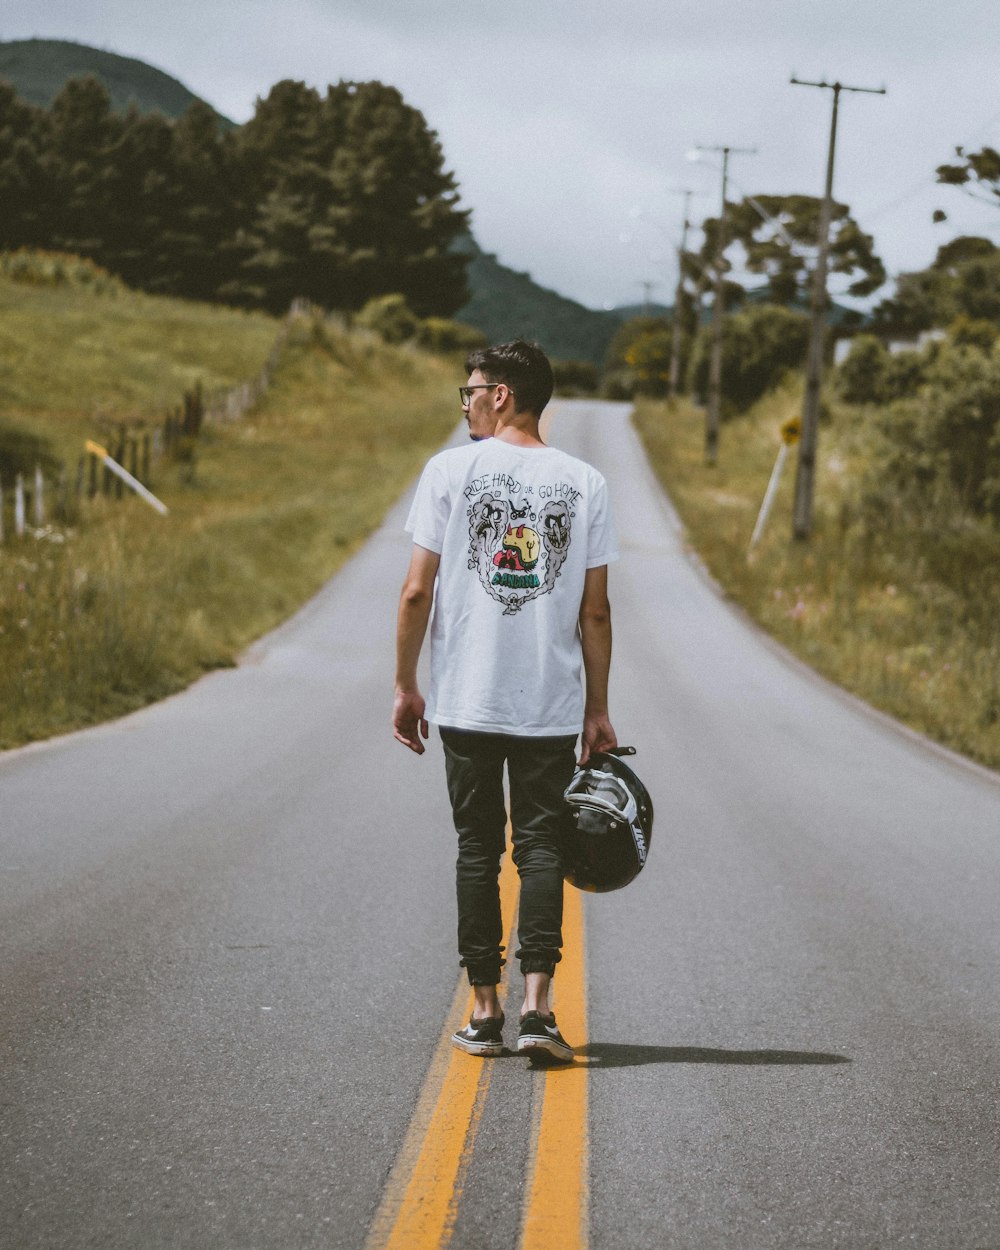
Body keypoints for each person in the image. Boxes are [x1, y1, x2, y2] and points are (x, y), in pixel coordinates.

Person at [393, 339, 618, 1063]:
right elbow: (596, 614)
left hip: (465, 700)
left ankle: (484, 1012)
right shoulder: (587, 484)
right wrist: (598, 709)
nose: (464, 401)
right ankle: (537, 1010)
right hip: (548, 704)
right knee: (542, 847)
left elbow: (416, 590)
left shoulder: (449, 472)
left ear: (502, 395)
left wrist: (405, 685)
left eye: (471, 390)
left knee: (477, 850)